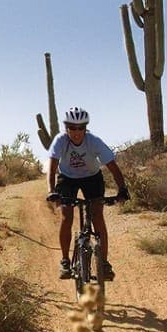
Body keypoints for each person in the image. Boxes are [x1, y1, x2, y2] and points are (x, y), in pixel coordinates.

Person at [46, 107, 129, 281]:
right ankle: (65, 261)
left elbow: (113, 166)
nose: (77, 132)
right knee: (66, 215)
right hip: (67, 178)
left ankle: (104, 263)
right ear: (66, 128)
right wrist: (52, 191)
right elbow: (52, 167)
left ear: (86, 128)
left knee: (97, 215)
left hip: (92, 178)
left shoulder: (94, 141)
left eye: (81, 128)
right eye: (72, 128)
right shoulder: (60, 141)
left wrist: (122, 189)